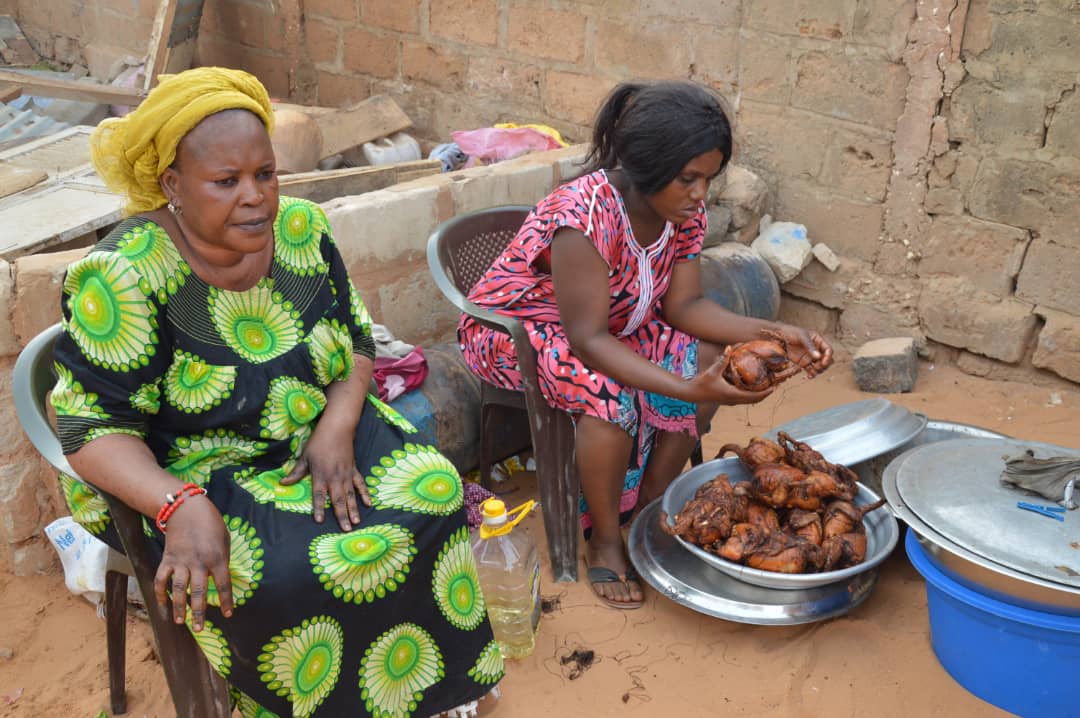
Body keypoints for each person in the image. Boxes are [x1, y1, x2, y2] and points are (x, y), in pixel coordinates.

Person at [52, 67, 502, 717]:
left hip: (310, 429)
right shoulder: (124, 274)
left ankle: (419, 690)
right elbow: (91, 430)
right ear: (172, 185)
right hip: (192, 468)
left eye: (265, 173)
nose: (255, 197)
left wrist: (337, 426)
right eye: (226, 181)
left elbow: (354, 344)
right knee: (283, 574)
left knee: (433, 492)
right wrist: (179, 506)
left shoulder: (300, 231)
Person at [458, 81, 833, 610]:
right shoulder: (584, 216)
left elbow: (685, 308)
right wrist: (680, 385)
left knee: (708, 362)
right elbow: (586, 341)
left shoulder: (684, 214)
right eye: (688, 179)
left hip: (612, 322)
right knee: (608, 395)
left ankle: (649, 508)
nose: (700, 193)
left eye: (708, 178)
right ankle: (606, 539)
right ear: (647, 167)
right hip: (517, 329)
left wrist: (771, 334)